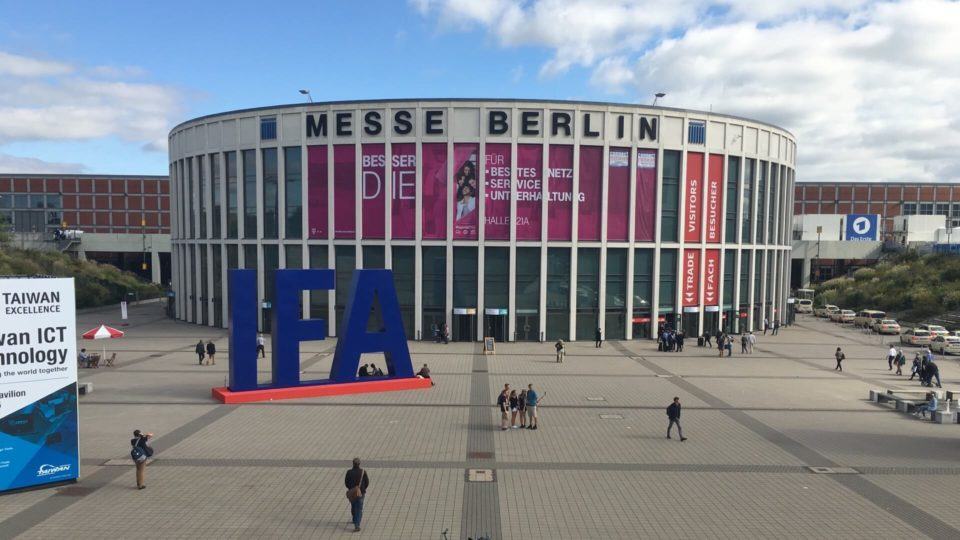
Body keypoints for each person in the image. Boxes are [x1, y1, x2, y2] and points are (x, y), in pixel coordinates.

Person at [344, 458, 370, 532]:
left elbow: (346, 483)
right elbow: (367, 482)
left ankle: (354, 519)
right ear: (359, 464)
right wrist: (362, 489)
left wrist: (351, 488)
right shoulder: (363, 472)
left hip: (352, 493)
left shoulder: (349, 472)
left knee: (353, 505)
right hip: (361, 493)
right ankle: (357, 525)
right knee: (359, 508)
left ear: (353, 463)